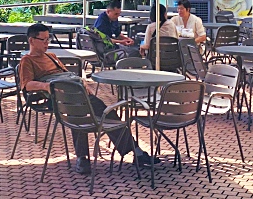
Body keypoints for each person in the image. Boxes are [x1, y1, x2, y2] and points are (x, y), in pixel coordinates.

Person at [18, 23, 155, 174]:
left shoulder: (51, 56)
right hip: (56, 97)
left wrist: (81, 82)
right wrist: (45, 86)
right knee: (83, 112)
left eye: (47, 39)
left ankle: (132, 150)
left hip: (74, 91)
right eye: (43, 40)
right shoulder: (27, 61)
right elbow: (27, 85)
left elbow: (67, 74)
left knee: (105, 112)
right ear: (31, 41)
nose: (46, 43)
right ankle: (89, 156)